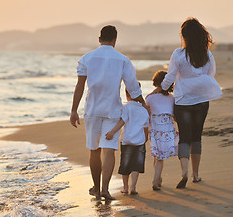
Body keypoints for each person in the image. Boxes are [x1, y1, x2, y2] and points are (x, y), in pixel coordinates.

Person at [70, 25, 146, 200]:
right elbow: (132, 87)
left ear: (99, 39)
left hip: (93, 110)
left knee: (94, 150)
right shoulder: (123, 60)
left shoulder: (86, 58)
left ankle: (96, 189)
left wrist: (74, 110)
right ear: (115, 40)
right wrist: (143, 105)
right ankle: (105, 188)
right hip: (113, 110)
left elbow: (80, 86)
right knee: (109, 150)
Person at [151, 18, 222, 189]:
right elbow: (211, 74)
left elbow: (170, 76)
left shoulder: (178, 54)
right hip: (202, 99)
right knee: (197, 136)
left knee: (184, 137)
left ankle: (184, 172)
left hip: (183, 100)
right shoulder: (207, 55)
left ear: (184, 36)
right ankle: (195, 174)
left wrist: (161, 90)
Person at [105, 84, 149, 195]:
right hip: (139, 141)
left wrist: (112, 132)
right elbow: (145, 126)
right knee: (136, 165)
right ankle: (133, 187)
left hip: (126, 140)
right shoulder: (143, 110)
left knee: (125, 163)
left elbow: (123, 121)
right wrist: (145, 138)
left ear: (126, 94)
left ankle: (125, 187)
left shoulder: (126, 107)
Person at [146, 70, 178, 190]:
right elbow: (174, 116)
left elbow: (147, 114)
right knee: (159, 157)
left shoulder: (150, 98)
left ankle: (157, 179)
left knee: (157, 155)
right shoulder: (171, 98)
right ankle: (156, 180)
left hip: (154, 130)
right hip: (167, 129)